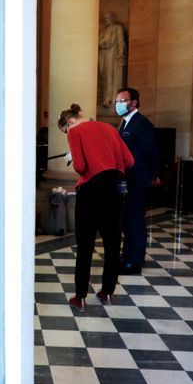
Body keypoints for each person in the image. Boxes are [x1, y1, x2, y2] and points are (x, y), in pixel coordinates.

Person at [58, 103, 134, 308]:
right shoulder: (109, 128)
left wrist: (73, 158)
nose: (68, 132)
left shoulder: (75, 131)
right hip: (116, 187)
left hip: (92, 189)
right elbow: (129, 160)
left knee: (85, 244)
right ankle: (107, 292)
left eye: (66, 129)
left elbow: (81, 166)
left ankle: (80, 296)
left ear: (69, 122)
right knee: (112, 243)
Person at [115, 87, 160, 275]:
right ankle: (127, 255)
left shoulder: (141, 123)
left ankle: (135, 261)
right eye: (117, 101)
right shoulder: (125, 123)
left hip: (138, 179)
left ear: (133, 102)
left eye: (122, 101)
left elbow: (151, 151)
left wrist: (154, 175)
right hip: (128, 179)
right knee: (127, 220)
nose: (118, 104)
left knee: (135, 220)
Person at [98, 12, 127, 108]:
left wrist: (120, 53)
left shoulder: (117, 28)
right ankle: (105, 97)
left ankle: (109, 99)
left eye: (108, 18)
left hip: (112, 53)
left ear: (112, 18)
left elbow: (120, 41)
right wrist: (102, 43)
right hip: (103, 53)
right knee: (103, 75)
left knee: (109, 75)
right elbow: (99, 40)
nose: (107, 20)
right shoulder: (103, 30)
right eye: (105, 18)